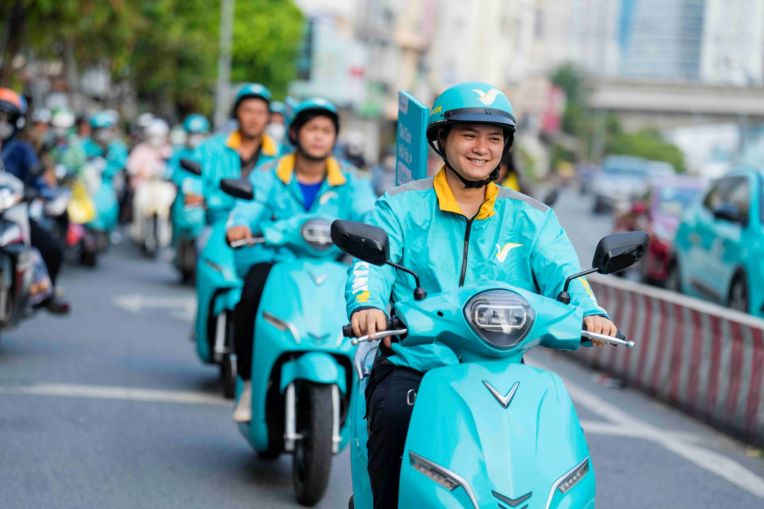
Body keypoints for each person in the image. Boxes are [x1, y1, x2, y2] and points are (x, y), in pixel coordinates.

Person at [345, 82, 617, 508]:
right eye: (469, 135)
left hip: (502, 369)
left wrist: (590, 312)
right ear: (441, 138)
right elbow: (371, 266)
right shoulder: (400, 206)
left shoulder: (531, 218)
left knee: (550, 441)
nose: (481, 148)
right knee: (396, 418)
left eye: (494, 138)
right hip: (415, 364)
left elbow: (566, 276)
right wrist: (367, 305)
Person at [225, 98, 375, 423]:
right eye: (312, 129)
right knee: (250, 295)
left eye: (326, 130)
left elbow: (369, 213)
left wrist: (380, 233)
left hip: (334, 267)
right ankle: (249, 383)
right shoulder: (269, 173)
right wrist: (240, 225)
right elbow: (250, 206)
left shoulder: (351, 178)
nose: (319, 136)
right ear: (295, 133)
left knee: (371, 309)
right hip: (278, 262)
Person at [0, 88, 69, 314]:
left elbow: (38, 180)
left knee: (52, 250)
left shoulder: (22, 149)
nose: (1, 123)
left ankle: (45, 294)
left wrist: (40, 193)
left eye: (6, 118)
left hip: (13, 212)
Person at [195, 83, 280, 220]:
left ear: (268, 117)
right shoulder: (211, 147)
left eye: (260, 112)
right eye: (248, 111)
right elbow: (194, 180)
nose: (254, 118)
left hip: (260, 225)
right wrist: (195, 193)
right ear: (236, 113)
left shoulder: (279, 155)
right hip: (217, 220)